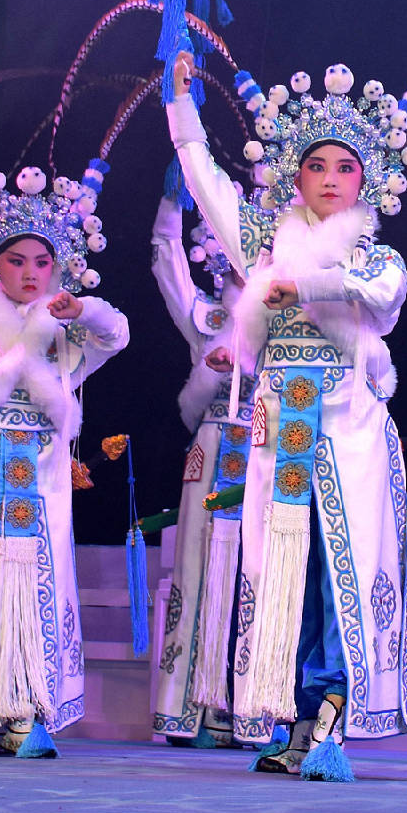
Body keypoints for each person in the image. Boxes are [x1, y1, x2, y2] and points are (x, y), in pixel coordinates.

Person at [164, 51, 407, 780]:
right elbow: (207, 184)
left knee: (342, 570)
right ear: (295, 176)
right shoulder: (262, 245)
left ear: (366, 180)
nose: (331, 178)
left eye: (346, 167)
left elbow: (380, 298)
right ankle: (297, 715)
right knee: (288, 569)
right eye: (317, 166)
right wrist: (182, 108)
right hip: (279, 435)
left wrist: (299, 286)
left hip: (347, 434)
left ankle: (333, 711)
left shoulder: (376, 259)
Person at [0, 156, 129, 758]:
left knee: (39, 582)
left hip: (40, 474)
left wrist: (83, 310)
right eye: (16, 260)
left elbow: (117, 334)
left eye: (42, 261)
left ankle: (29, 710)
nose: (30, 272)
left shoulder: (66, 332)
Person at [147, 189, 266, 747]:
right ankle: (190, 706)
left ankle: (251, 708)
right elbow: (166, 259)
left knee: (259, 573)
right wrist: (173, 200)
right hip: (214, 446)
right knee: (197, 568)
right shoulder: (208, 317)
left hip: (269, 451)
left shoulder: (291, 318)